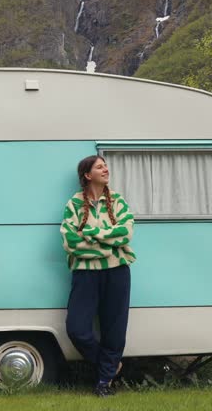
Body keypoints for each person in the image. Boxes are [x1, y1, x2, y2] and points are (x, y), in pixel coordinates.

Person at [60, 155, 136, 397]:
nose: (106, 169)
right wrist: (106, 245)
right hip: (85, 274)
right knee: (77, 329)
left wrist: (90, 233)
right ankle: (112, 365)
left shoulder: (118, 201)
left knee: (114, 329)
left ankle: (104, 382)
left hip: (117, 273)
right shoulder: (74, 204)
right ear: (87, 174)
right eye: (100, 166)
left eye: (106, 166)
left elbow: (125, 233)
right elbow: (70, 241)